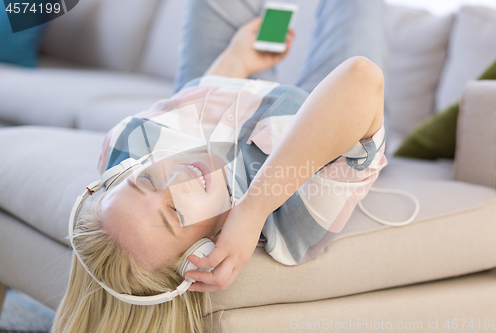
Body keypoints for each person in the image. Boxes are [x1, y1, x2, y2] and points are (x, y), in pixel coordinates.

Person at [51, 0, 387, 332]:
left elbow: (196, 98)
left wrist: (236, 59)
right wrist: (254, 208)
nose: (176, 178)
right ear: (201, 253)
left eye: (148, 179)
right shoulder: (289, 227)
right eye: (175, 212)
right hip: (338, 114)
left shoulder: (129, 147)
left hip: (227, 85)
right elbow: (360, 77)